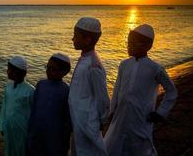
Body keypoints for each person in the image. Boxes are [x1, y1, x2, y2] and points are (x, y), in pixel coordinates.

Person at [104, 24, 178, 156]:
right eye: (128, 42)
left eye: (133, 43)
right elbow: (117, 89)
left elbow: (171, 91)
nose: (128, 46)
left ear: (147, 46)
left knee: (139, 147)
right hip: (120, 116)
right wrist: (112, 110)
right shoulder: (124, 64)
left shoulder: (155, 68)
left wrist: (160, 112)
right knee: (113, 146)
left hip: (141, 117)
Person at [69, 17, 110, 156]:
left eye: (75, 36)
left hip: (87, 121)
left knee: (90, 151)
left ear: (87, 40)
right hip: (79, 119)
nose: (72, 39)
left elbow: (103, 98)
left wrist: (102, 120)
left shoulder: (93, 65)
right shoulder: (86, 58)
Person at [28, 53, 71, 156]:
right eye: (47, 67)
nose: (48, 71)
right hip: (37, 131)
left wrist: (65, 137)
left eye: (53, 69)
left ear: (64, 72)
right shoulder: (40, 85)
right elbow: (34, 109)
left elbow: (68, 117)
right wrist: (30, 129)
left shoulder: (66, 90)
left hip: (55, 134)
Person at [0, 56, 35, 156]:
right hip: (8, 126)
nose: (7, 72)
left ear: (19, 72)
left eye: (10, 70)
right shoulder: (8, 87)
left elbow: (34, 113)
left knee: (21, 150)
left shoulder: (30, 91)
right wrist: (2, 125)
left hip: (22, 129)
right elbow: (4, 107)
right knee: (9, 149)